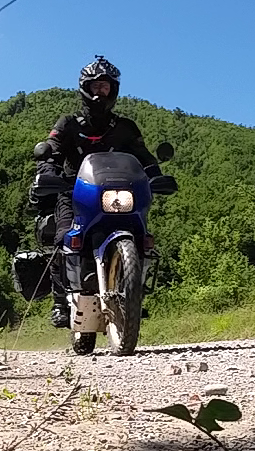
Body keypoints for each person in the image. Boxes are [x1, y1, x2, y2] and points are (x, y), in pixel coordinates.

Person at [29, 55, 164, 328]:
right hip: (75, 193)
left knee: (143, 239)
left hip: (118, 194)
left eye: (105, 86)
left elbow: (144, 156)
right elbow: (50, 151)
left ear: (113, 90)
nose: (100, 91)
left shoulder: (126, 128)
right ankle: (59, 303)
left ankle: (133, 295)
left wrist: (156, 175)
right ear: (85, 88)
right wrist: (47, 172)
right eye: (95, 86)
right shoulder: (68, 123)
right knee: (63, 237)